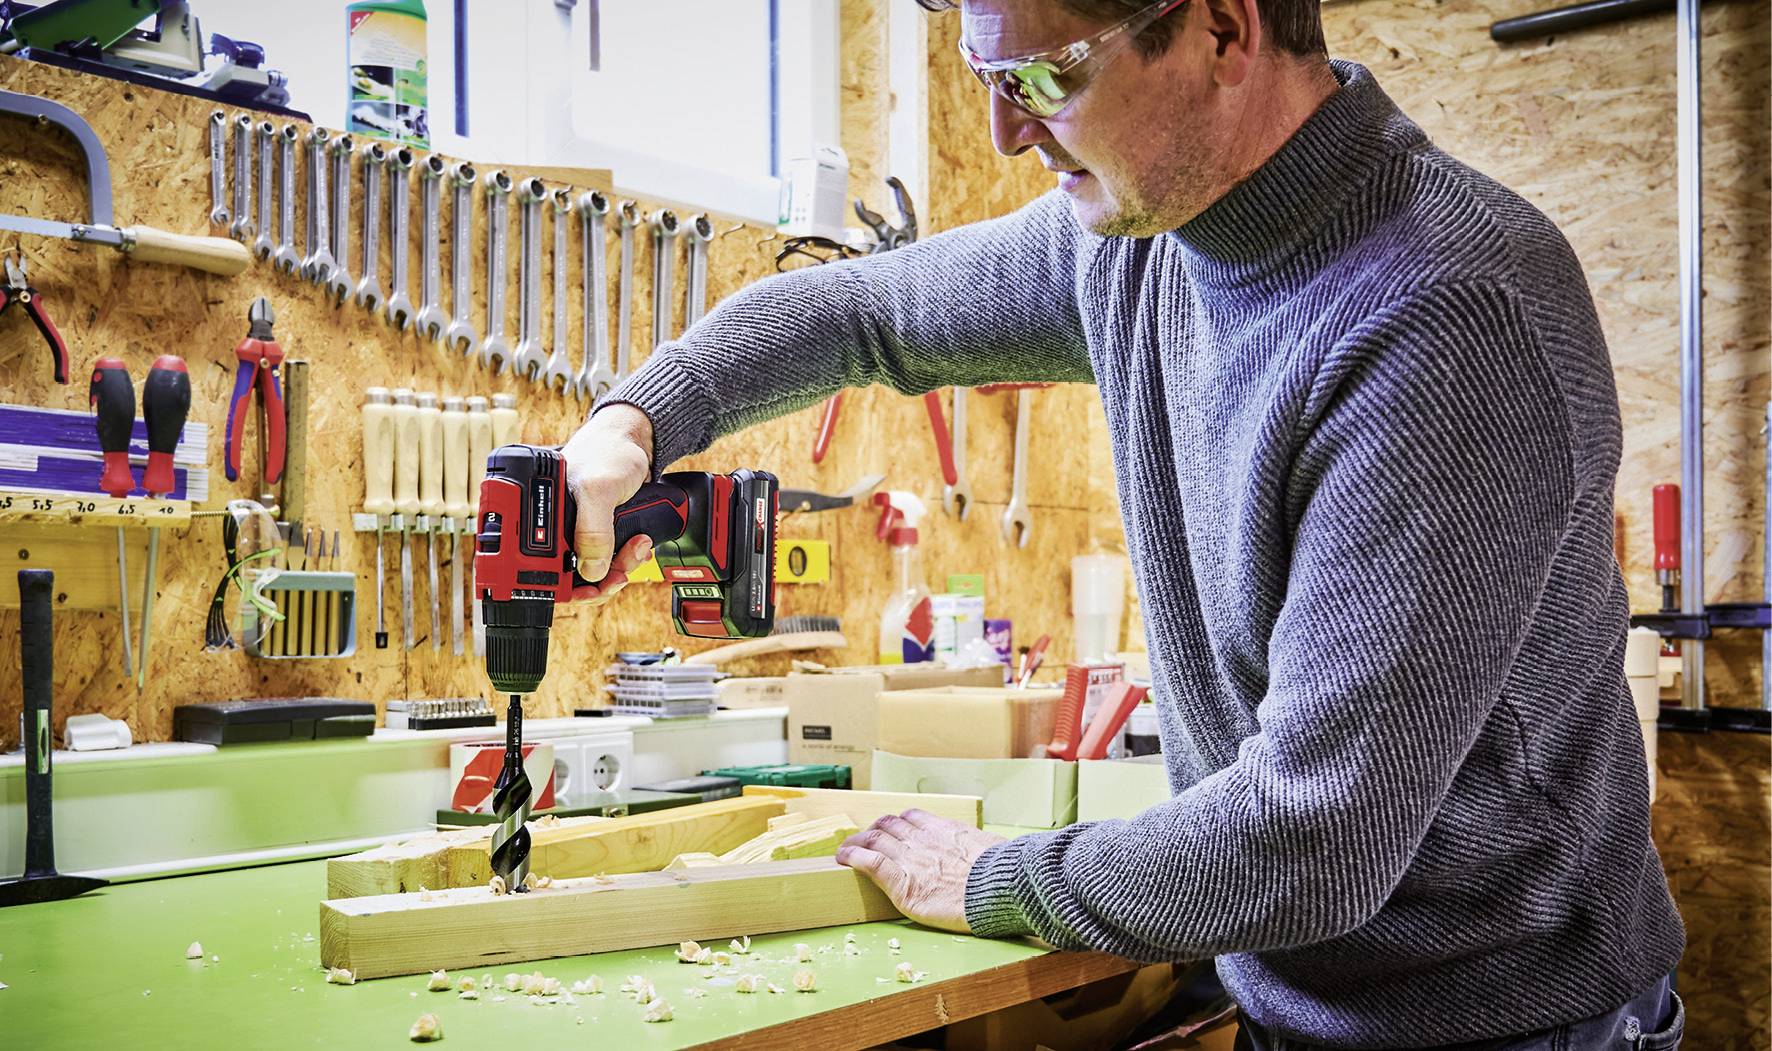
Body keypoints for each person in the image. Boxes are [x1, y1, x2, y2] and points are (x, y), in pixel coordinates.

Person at [559, 0, 1686, 1046]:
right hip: (1301, 996)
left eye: (1046, 76)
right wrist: (636, 422)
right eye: (981, 76)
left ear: (1218, 31)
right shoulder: (1141, 238)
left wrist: (995, 876)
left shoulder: (1442, 315)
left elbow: (1312, 839)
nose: (1003, 133)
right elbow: (866, 310)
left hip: (1509, 1020)